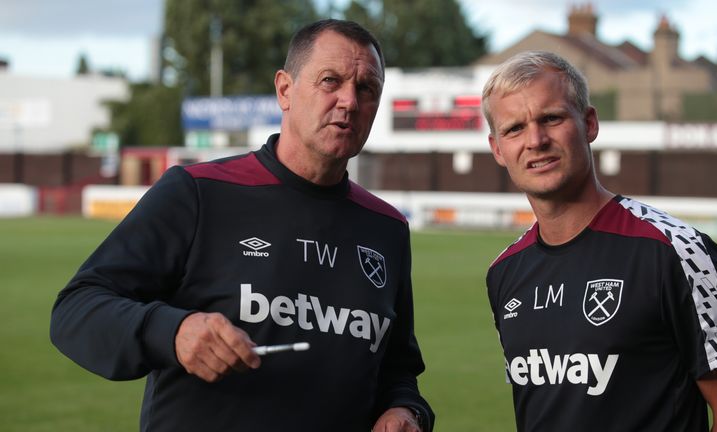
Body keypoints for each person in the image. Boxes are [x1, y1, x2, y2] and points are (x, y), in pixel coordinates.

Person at [51, 19, 434, 432]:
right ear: (285, 90)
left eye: (366, 89)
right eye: (330, 81)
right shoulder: (198, 192)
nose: (349, 101)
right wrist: (173, 330)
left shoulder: (387, 228)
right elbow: (76, 310)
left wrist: (406, 412)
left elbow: (397, 370)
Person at [482, 50, 717, 431]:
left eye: (551, 118)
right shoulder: (504, 272)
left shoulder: (676, 252)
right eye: (514, 128)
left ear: (589, 123)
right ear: (498, 149)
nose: (535, 139)